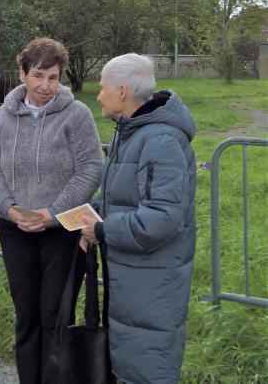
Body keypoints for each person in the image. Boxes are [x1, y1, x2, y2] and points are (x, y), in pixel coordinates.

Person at [0, 38, 103, 384]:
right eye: (38, 75)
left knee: (55, 316)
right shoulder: (4, 116)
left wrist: (53, 213)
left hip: (62, 233)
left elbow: (90, 168)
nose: (45, 86)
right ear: (22, 73)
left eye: (53, 77)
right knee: (27, 315)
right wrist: (11, 208)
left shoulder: (76, 115)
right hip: (16, 230)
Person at [79, 53, 196, 384]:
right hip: (134, 279)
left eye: (102, 88)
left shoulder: (160, 141)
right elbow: (127, 197)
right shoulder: (131, 131)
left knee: (147, 369)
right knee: (130, 365)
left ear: (122, 91)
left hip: (152, 283)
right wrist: (94, 212)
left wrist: (101, 230)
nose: (97, 95)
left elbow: (161, 218)